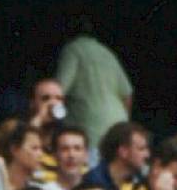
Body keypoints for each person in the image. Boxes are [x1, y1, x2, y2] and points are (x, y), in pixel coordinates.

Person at [55, 18, 133, 151]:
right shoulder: (107, 53)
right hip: (119, 124)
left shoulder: (73, 49)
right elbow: (127, 95)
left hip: (89, 127)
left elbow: (58, 90)